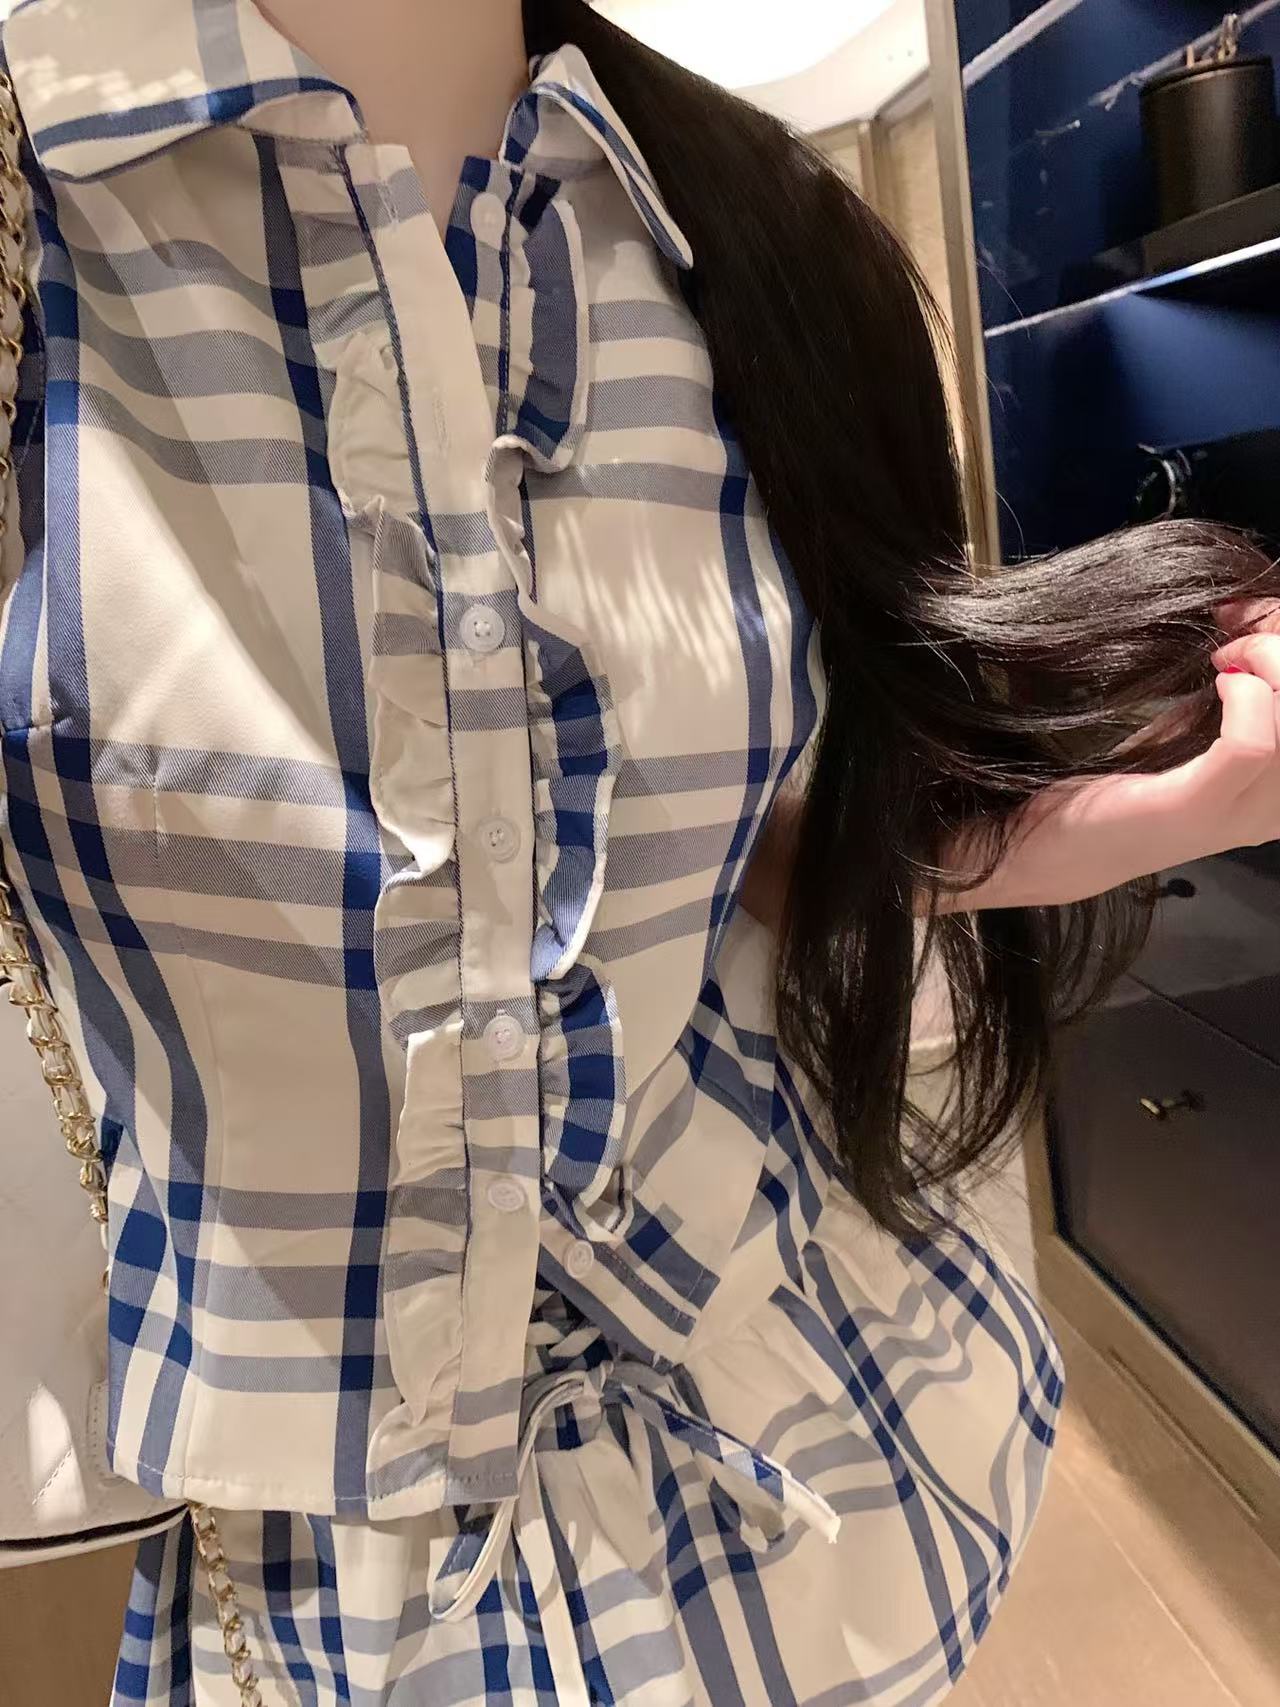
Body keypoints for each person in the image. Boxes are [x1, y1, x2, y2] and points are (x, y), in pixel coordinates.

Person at [2, 1, 1279, 1702]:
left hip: (794, 1492)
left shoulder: (758, 234)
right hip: (306, 1580)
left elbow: (742, 844)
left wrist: (1030, 830)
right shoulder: (42, 229)